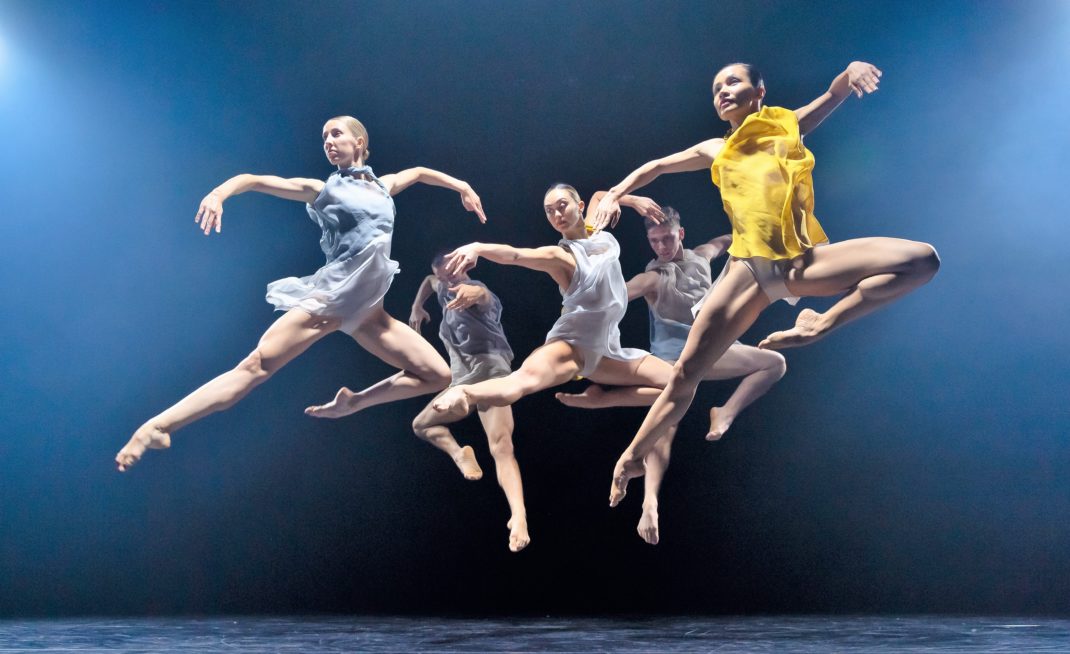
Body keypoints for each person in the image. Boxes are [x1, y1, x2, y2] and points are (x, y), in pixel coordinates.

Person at [591, 62, 940, 506]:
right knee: (685, 375)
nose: (722, 91)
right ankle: (631, 458)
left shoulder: (785, 125)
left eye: (732, 81)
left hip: (799, 263)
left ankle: (822, 324)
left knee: (921, 259)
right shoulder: (716, 148)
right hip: (746, 273)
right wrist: (616, 192)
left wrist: (848, 73)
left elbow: (831, 96)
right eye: (716, 87)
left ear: (759, 90)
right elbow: (658, 166)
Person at [115, 116, 486, 471]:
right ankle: (155, 428)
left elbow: (419, 173)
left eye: (336, 134)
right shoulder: (323, 190)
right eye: (324, 137)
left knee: (437, 375)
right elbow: (255, 179)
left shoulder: (382, 185)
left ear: (359, 142)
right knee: (254, 368)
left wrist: (462, 186)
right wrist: (219, 193)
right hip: (330, 303)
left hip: (370, 313)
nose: (328, 141)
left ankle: (352, 403)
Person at [428, 184, 678, 545]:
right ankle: (465, 392)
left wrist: (630, 198)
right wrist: (478, 247)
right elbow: (516, 255)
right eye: (549, 212)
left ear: (576, 207)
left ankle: (625, 449)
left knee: (678, 386)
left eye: (562, 206)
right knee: (520, 383)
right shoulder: (561, 256)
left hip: (608, 350)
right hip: (573, 344)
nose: (557, 214)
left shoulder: (598, 232)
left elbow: (600, 196)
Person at [557, 202, 786, 442]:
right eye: (654, 241)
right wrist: (578, 299)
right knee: (677, 390)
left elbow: (726, 240)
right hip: (677, 355)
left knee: (774, 364)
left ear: (681, 234)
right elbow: (618, 293)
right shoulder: (654, 277)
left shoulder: (700, 255)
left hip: (714, 345)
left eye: (667, 238)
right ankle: (604, 399)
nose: (661, 246)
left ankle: (724, 411)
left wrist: (761, 234)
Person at [406, 253, 529, 552]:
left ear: (464, 268)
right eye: (445, 276)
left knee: (501, 445)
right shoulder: (442, 285)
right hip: (461, 381)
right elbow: (429, 280)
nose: (449, 281)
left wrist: (474, 291)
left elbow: (483, 296)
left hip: (490, 371)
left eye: (454, 274)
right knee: (421, 425)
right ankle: (460, 454)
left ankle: (520, 516)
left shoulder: (477, 291)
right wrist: (417, 306)